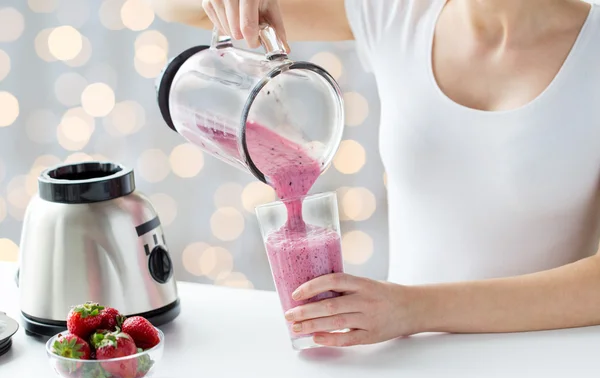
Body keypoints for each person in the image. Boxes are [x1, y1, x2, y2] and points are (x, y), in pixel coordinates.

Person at [151, 0, 600, 347]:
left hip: (546, 363)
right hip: (407, 364)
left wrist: (414, 309)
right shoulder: (397, 11)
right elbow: (172, 6)